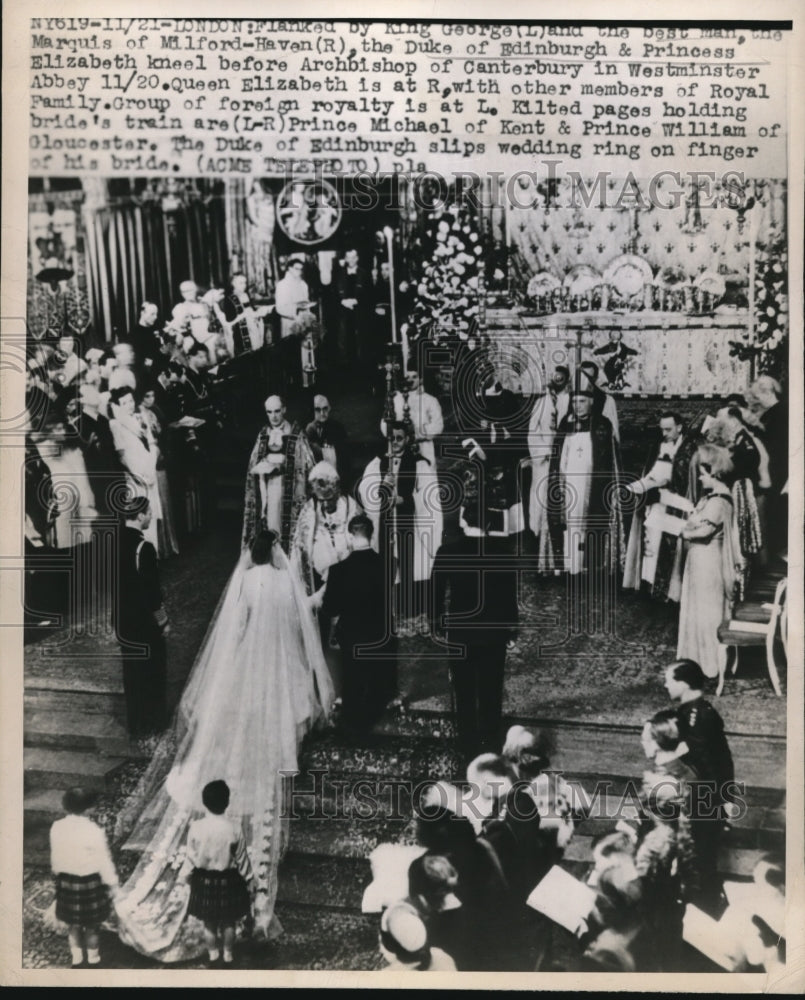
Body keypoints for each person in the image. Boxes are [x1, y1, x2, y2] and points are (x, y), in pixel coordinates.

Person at [114, 529, 335, 961]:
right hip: (279, 660)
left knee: (243, 715)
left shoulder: (246, 581)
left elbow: (234, 628)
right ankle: (276, 764)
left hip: (250, 661)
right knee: (281, 714)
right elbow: (297, 622)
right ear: (275, 553)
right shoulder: (284, 580)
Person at [431, 510, 520, 762]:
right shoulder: (503, 553)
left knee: (464, 689)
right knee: (491, 688)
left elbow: (435, 591)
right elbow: (508, 594)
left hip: (460, 633)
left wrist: (437, 623)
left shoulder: (447, 551)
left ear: (463, 522)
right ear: (489, 524)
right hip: (493, 634)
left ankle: (467, 745)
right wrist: (511, 629)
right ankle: (490, 742)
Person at [663, 658, 737, 913]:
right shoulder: (698, 712)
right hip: (706, 800)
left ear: (683, 684)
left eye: (669, 680)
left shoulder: (694, 718)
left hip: (699, 801)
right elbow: (724, 759)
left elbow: (702, 766)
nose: (665, 685)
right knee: (700, 859)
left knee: (699, 860)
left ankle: (703, 910)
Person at [319, 514, 397, 737]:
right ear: (371, 536)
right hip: (380, 632)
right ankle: (375, 719)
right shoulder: (390, 564)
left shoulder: (339, 570)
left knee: (353, 680)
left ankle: (353, 728)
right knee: (375, 679)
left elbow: (331, 609)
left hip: (352, 634)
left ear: (350, 536)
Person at [358, 421, 440, 628]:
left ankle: (410, 610)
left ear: (408, 439)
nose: (395, 442)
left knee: (409, 564)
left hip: (408, 521)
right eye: (392, 438)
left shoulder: (419, 463)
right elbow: (366, 490)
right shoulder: (378, 463)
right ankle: (387, 610)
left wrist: (405, 500)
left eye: (399, 438)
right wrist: (383, 486)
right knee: (386, 566)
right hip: (386, 522)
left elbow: (428, 497)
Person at [676, 444, 743, 683]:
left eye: (703, 474)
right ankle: (697, 660)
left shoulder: (718, 501)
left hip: (708, 564)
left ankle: (710, 665)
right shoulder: (711, 498)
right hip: (699, 562)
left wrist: (681, 530)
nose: (700, 479)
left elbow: (701, 532)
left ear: (713, 472)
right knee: (698, 610)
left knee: (707, 613)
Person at [547, 370, 624, 576]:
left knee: (590, 523)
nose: (577, 405)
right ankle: (570, 566)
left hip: (594, 484)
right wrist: (559, 479)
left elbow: (610, 459)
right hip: (569, 482)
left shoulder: (602, 424)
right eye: (574, 401)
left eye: (582, 401)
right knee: (570, 523)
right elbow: (559, 456)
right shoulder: (565, 423)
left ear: (591, 401)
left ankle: (590, 566)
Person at [623, 412, 697, 601]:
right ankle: (649, 586)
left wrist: (668, 482)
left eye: (668, 429)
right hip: (655, 502)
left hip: (675, 504)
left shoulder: (689, 448)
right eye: (662, 429)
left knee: (667, 547)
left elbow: (687, 478)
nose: (664, 433)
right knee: (651, 545)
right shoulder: (658, 445)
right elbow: (650, 470)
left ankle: (668, 592)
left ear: (679, 427)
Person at [180, 780, 253, 967]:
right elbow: (242, 858)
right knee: (230, 921)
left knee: (209, 923)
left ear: (204, 802)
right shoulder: (234, 827)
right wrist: (249, 879)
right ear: (227, 802)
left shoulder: (196, 827)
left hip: (204, 880)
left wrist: (186, 877)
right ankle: (228, 954)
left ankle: (213, 954)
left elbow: (191, 856)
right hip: (228, 880)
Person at [114, 497, 169, 738]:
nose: (150, 517)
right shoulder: (144, 548)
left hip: (123, 621)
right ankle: (153, 722)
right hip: (144, 624)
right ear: (139, 516)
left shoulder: (112, 543)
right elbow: (152, 592)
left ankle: (136, 724)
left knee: (131, 672)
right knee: (152, 670)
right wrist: (163, 621)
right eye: (148, 513)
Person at [49, 787, 120, 968]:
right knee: (92, 925)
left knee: (73, 924)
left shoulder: (57, 827)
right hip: (90, 883)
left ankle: (77, 959)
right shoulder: (94, 831)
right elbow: (104, 861)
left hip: (67, 881)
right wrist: (113, 884)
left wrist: (58, 875)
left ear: (66, 806)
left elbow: (56, 856)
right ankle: (94, 959)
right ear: (90, 809)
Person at [242, 394, 315, 552]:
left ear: (284, 410)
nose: (273, 417)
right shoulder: (263, 435)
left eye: (277, 411)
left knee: (286, 527)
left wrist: (285, 466)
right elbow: (253, 462)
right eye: (269, 412)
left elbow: (306, 464)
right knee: (270, 522)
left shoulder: (296, 435)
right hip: (267, 488)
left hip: (288, 489)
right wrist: (261, 466)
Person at [290, 461, 361, 600]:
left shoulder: (348, 505)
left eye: (329, 499)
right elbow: (303, 540)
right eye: (322, 500)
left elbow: (357, 534)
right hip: (320, 554)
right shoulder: (310, 508)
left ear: (337, 493)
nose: (326, 504)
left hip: (345, 550)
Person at [526, 365, 570, 572]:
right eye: (554, 378)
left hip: (565, 460)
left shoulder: (572, 402)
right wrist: (543, 452)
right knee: (541, 496)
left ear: (567, 380)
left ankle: (564, 541)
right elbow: (533, 430)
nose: (557, 382)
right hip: (544, 460)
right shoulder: (541, 403)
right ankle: (539, 538)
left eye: (561, 379)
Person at [108, 386, 162, 551]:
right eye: (124, 402)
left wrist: (151, 462)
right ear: (117, 406)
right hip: (134, 474)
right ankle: (140, 549)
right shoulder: (116, 424)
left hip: (148, 467)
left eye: (131, 400)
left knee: (150, 512)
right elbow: (121, 455)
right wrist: (136, 475)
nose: (130, 405)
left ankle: (154, 550)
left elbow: (151, 443)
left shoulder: (139, 418)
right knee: (139, 511)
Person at [335, 248, 370, 374]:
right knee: (344, 339)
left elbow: (369, 294)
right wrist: (342, 301)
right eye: (348, 257)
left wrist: (357, 301)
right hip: (343, 313)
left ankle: (361, 368)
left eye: (353, 257)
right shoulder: (339, 274)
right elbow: (334, 293)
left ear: (357, 258)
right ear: (345, 258)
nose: (351, 260)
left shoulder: (364, 274)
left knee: (360, 339)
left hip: (359, 312)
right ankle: (345, 369)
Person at [304, 395, 349, 483]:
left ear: (329, 408)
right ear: (313, 410)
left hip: (336, 476)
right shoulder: (309, 429)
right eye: (318, 410)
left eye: (325, 409)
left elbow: (345, 460)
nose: (322, 413)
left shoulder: (338, 428)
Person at [274, 257, 311, 339]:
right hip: (289, 322)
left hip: (304, 321)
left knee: (305, 347)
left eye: (301, 269)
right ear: (289, 268)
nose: (299, 272)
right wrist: (295, 309)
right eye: (296, 269)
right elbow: (279, 308)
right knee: (291, 348)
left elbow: (306, 302)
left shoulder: (303, 284)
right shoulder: (282, 285)